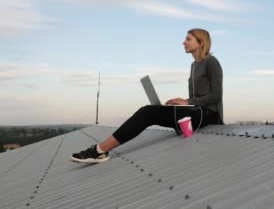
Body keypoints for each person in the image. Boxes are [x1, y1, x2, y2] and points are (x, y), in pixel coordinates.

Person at [71, 28, 224, 163]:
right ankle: (100, 150)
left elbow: (216, 95)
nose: (183, 42)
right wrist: (181, 103)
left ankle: (99, 151)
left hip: (209, 116)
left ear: (201, 42)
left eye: (188, 39)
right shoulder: (194, 65)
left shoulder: (211, 62)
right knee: (152, 110)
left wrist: (188, 101)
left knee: (147, 112)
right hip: (196, 113)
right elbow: (197, 98)